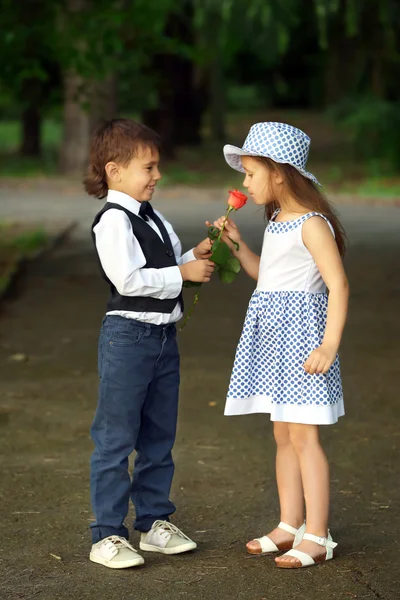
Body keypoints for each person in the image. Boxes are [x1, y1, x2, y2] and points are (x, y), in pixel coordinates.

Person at [212, 122, 349, 569]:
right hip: (272, 341)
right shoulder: (276, 223)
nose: (244, 182)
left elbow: (338, 285)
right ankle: (290, 524)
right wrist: (236, 248)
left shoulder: (312, 225)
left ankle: (318, 533)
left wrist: (329, 345)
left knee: (305, 436)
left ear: (278, 173)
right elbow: (265, 277)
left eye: (250, 173)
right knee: (282, 433)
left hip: (303, 343)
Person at [84, 118, 214, 569]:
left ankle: (154, 522)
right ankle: (108, 534)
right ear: (115, 170)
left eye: (157, 167)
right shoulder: (113, 221)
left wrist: (193, 257)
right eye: (149, 167)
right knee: (115, 437)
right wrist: (181, 274)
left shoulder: (153, 216)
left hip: (162, 340)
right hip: (127, 339)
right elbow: (128, 279)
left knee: (159, 436)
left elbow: (166, 266)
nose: (157, 175)